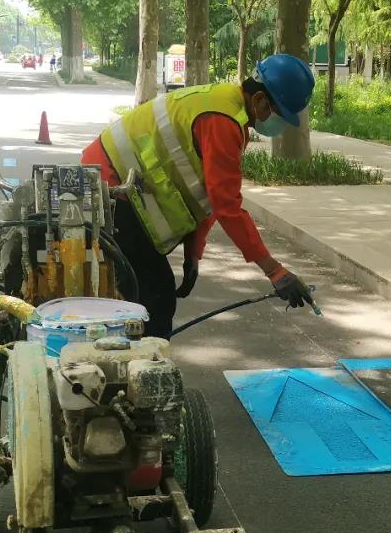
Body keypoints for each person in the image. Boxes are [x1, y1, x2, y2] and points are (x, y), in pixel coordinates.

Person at [81, 53, 317, 338]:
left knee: (147, 293)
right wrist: (274, 271)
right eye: (278, 114)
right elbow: (227, 205)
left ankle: (134, 356)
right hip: (112, 185)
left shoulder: (228, 110)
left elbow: (206, 193)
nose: (277, 124)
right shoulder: (222, 121)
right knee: (155, 297)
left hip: (117, 184)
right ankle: (144, 362)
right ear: (259, 99)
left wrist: (194, 251)